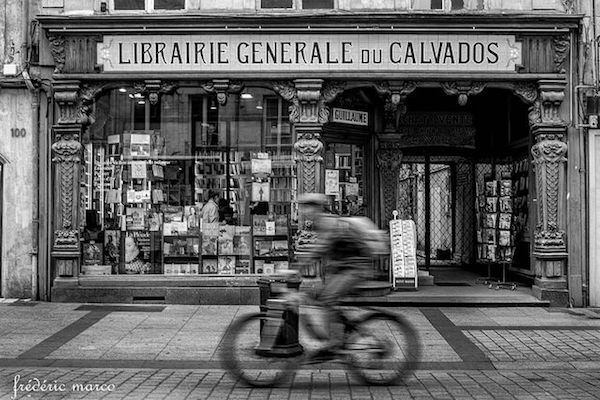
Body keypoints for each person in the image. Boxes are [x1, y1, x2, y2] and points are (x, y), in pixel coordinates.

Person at [297, 192, 388, 361]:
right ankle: (341, 334)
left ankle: (334, 343)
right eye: (303, 208)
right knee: (323, 298)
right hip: (343, 267)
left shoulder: (326, 222)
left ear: (317, 208)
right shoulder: (320, 222)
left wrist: (298, 266)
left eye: (308, 207)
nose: (305, 212)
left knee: (328, 298)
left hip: (357, 267)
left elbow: (322, 248)